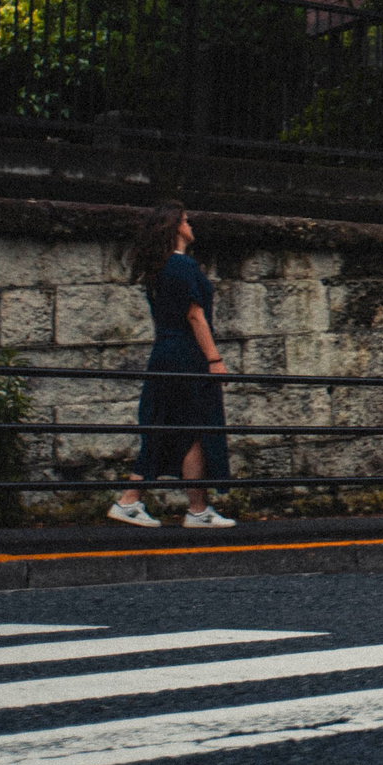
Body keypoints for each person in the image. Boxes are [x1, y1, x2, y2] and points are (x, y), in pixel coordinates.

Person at [107, 203, 236, 528]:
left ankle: (195, 509)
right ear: (175, 227)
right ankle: (130, 500)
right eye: (187, 220)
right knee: (192, 424)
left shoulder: (163, 267)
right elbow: (195, 315)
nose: (191, 224)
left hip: (168, 352)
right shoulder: (181, 266)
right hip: (186, 355)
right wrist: (214, 359)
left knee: (184, 427)